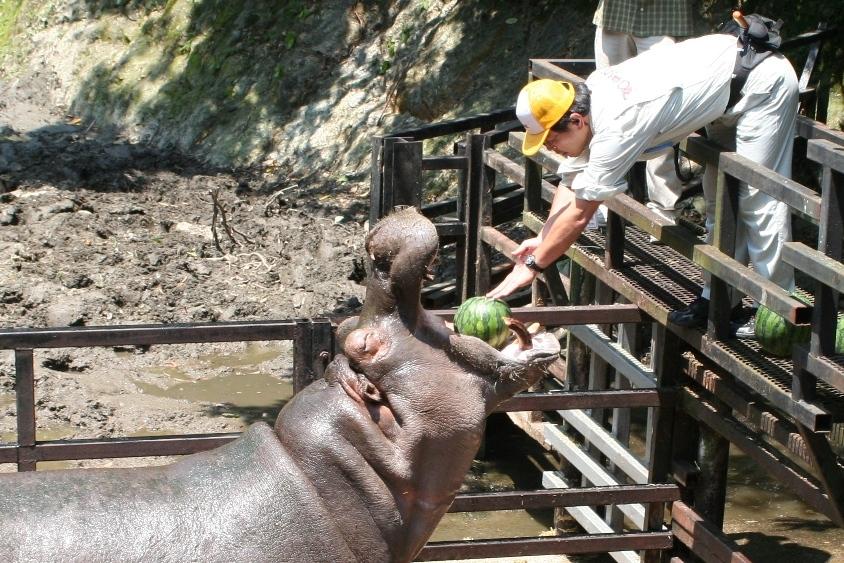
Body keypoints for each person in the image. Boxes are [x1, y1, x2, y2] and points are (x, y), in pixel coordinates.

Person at [486, 31, 798, 338]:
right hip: (726, 86)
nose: (551, 149)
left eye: (552, 141)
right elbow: (572, 178)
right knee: (720, 198)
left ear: (577, 120)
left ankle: (780, 312)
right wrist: (544, 236)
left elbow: (581, 212)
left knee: (757, 199)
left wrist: (533, 265)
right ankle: (718, 299)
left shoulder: (617, 123)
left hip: (761, 83)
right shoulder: (588, 101)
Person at [591, 0, 695, 227]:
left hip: (662, 17)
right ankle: (605, 199)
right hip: (615, 16)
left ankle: (663, 207)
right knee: (608, 108)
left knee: (664, 112)